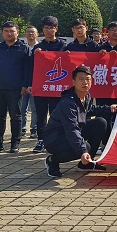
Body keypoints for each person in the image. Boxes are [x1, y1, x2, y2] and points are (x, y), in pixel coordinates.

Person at [43, 66, 117, 178]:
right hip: (55, 138)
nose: (85, 82)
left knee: (100, 122)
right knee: (85, 147)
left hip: (72, 132)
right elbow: (72, 129)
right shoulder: (67, 103)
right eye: (81, 79)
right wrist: (83, 150)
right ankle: (52, 161)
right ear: (73, 82)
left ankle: (86, 163)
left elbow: (90, 109)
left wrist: (109, 108)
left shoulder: (86, 95)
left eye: (88, 79)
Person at [0, 21, 33, 153]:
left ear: (17, 32)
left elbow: (28, 69)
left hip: (16, 88)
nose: (9, 33)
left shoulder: (24, 48)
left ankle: (15, 144)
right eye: (6, 31)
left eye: (12, 31)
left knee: (15, 116)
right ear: (2, 33)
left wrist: (25, 85)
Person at [31, 16, 67, 153]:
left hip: (57, 87)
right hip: (41, 87)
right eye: (46, 28)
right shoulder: (38, 47)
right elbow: (31, 68)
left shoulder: (63, 46)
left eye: (51, 28)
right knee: (40, 115)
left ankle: (55, 140)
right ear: (42, 30)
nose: (48, 30)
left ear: (56, 29)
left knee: (55, 115)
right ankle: (41, 140)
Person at [22, 26, 39, 138]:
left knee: (35, 108)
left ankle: (34, 128)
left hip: (36, 82)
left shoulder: (41, 48)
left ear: (37, 34)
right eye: (28, 32)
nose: (30, 34)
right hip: (23, 81)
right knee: (22, 107)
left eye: (33, 32)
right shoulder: (22, 48)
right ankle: (22, 128)